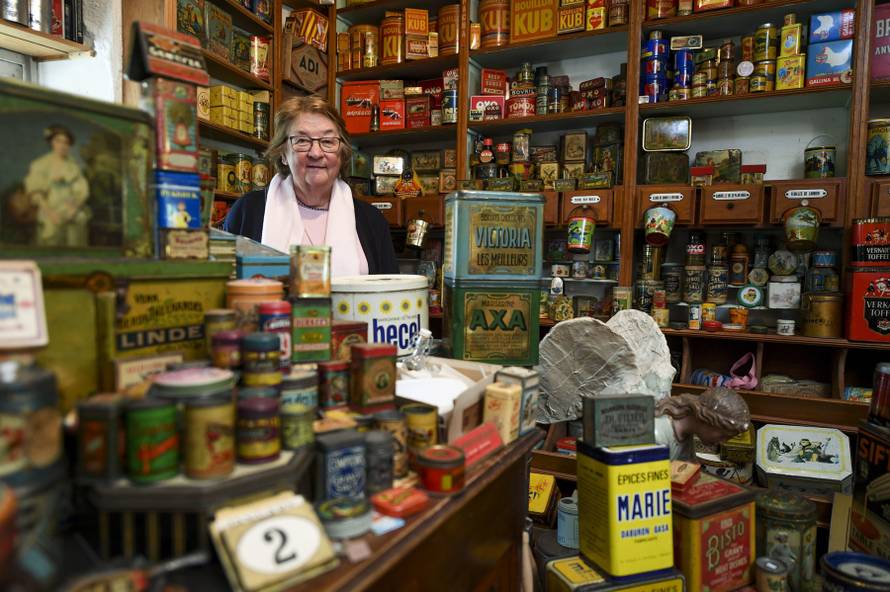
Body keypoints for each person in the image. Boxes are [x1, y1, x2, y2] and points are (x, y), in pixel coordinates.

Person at [224, 96, 398, 276]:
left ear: (342, 153)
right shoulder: (247, 211)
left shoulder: (371, 220)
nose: (315, 153)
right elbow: (223, 287)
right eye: (302, 141)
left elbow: (392, 293)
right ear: (283, 153)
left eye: (328, 141)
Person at [24, 125, 90, 247]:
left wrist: (74, 207)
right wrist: (50, 213)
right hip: (48, 208)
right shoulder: (40, 164)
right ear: (51, 143)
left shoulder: (73, 166)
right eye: (58, 141)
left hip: (70, 207)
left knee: (79, 220)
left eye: (66, 142)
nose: (62, 145)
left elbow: (81, 190)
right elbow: (36, 193)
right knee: (51, 229)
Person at [654, 387, 750, 460]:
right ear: (708, 419)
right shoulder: (658, 437)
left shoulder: (686, 432)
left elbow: (688, 468)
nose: (723, 442)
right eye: (723, 435)